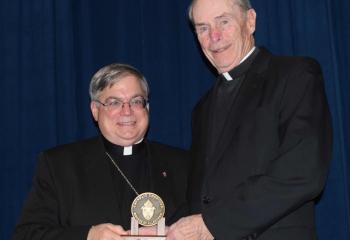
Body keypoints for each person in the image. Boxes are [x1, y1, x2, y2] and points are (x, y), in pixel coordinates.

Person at [167, 0, 332, 239]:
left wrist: (212, 224)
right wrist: (163, 231)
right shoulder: (201, 108)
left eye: (224, 21)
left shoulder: (295, 75)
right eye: (203, 28)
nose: (214, 36)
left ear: (250, 21)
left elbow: (303, 172)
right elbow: (202, 196)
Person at [12, 63, 189, 240]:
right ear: (95, 111)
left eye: (136, 101)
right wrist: (89, 236)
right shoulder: (59, 166)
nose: (126, 111)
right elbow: (26, 235)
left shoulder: (184, 164)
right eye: (114, 102)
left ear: (147, 109)